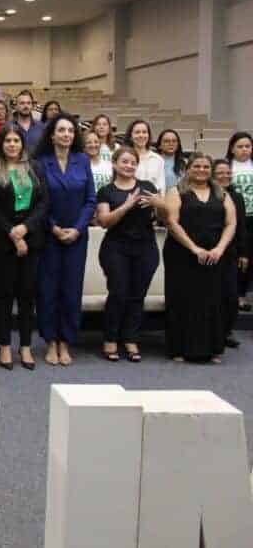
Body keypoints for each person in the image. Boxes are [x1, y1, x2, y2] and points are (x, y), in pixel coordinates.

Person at [0, 127, 48, 370]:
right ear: (1, 144)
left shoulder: (35, 168)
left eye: (16, 140)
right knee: (5, 294)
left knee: (27, 294)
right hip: (3, 240)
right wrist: (13, 232)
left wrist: (25, 228)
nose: (12, 144)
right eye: (8, 141)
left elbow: (44, 202)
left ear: (22, 143)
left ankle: (26, 345)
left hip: (31, 239)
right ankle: (4, 344)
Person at [34, 114, 96, 367]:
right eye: (61, 130)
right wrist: (54, 227)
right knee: (48, 290)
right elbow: (38, 201)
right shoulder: (40, 163)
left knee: (71, 290)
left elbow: (90, 200)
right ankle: (50, 341)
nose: (67, 134)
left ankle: (65, 342)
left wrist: (77, 229)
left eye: (70, 130)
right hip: (49, 235)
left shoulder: (83, 160)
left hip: (77, 237)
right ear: (52, 135)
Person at [162, 152, 236, 363]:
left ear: (211, 170)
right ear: (188, 169)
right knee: (182, 299)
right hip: (182, 254)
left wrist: (220, 248)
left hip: (214, 255)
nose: (201, 170)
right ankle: (179, 348)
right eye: (196, 166)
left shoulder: (222, 193)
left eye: (205, 167)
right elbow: (172, 222)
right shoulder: (176, 191)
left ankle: (213, 349)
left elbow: (231, 223)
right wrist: (194, 248)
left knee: (212, 301)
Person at [95, 147, 162, 363]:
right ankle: (110, 338)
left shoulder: (147, 187)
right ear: (114, 164)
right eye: (124, 161)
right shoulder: (106, 191)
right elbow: (104, 221)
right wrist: (126, 205)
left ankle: (130, 338)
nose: (129, 166)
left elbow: (164, 216)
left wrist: (160, 205)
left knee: (137, 295)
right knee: (118, 293)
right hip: (116, 248)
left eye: (133, 162)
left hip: (145, 248)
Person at [211, 159, 247, 349]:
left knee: (230, 295)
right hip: (207, 251)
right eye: (220, 173)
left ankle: (227, 331)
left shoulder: (237, 197)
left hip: (229, 252)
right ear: (212, 175)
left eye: (228, 173)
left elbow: (240, 226)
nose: (225, 176)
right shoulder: (206, 194)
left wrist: (243, 253)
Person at [227, 132, 253, 312]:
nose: (244, 150)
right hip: (235, 218)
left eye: (248, 146)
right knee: (240, 257)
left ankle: (243, 293)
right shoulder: (227, 166)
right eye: (240, 146)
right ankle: (238, 295)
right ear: (232, 149)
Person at [124, 120, 165, 193]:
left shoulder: (158, 159)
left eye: (144, 132)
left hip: (153, 198)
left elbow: (161, 186)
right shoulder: (124, 158)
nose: (141, 135)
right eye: (137, 132)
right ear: (130, 136)